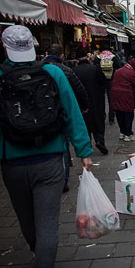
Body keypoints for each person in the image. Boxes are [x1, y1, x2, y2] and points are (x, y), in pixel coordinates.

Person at [0, 25, 93, 268]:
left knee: (28, 222)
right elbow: (71, 113)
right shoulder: (53, 73)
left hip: (12, 164)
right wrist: (84, 151)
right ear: (33, 46)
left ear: (4, 48)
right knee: (48, 225)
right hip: (50, 161)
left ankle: (40, 257)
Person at [42, 44, 90, 193]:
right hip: (61, 115)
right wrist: (84, 106)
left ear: (46, 53)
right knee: (63, 147)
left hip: (42, 118)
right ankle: (63, 181)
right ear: (62, 56)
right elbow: (79, 89)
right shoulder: (65, 70)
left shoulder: (39, 70)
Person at [73, 49, 108, 155]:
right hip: (96, 101)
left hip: (81, 103)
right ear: (87, 58)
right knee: (98, 122)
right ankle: (99, 140)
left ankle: (88, 144)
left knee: (85, 125)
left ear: (77, 60)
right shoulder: (95, 68)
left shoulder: (74, 71)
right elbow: (104, 83)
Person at [111, 59, 135, 141]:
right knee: (128, 114)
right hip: (125, 95)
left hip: (115, 95)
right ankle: (128, 134)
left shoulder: (118, 71)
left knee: (119, 113)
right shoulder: (131, 73)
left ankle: (122, 133)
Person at [98, 48, 116, 124]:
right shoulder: (113, 57)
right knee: (111, 99)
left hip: (101, 80)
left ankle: (102, 116)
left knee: (101, 99)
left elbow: (95, 67)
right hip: (110, 80)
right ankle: (111, 118)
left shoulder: (99, 57)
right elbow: (118, 65)